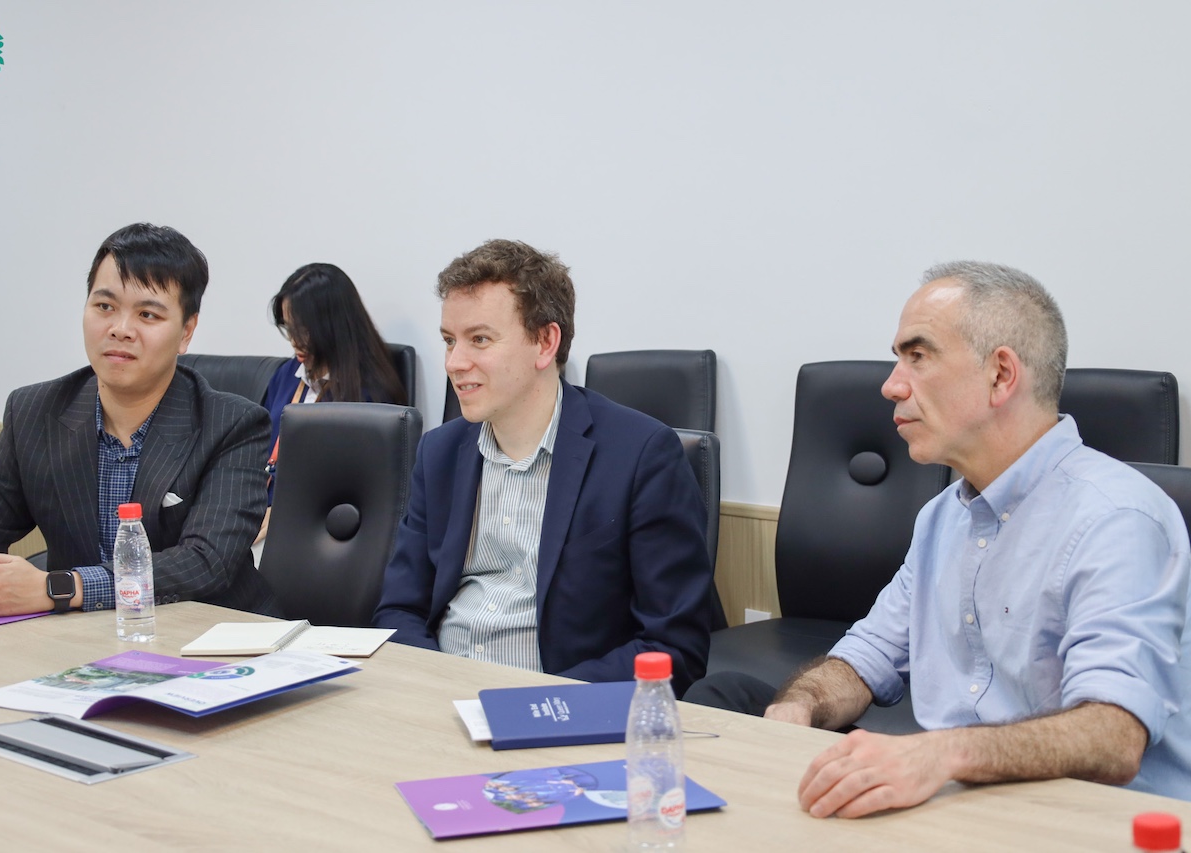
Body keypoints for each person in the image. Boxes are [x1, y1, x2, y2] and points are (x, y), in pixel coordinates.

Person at [689, 261, 1191, 812]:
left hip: (1081, 814)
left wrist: (939, 754)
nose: (891, 385)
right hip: (964, 789)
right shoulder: (943, 516)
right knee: (728, 695)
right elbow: (868, 655)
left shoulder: (1116, 517)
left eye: (918, 356)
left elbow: (1113, 735)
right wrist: (801, 707)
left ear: (1001, 375)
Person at [372, 239, 713, 695]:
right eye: (449, 341)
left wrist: (538, 703)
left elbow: (674, 646)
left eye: (479, 339)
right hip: (439, 695)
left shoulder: (641, 455)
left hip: (558, 704)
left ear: (545, 342)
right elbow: (399, 609)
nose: (454, 363)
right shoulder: (440, 453)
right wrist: (436, 686)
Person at [0, 223, 278, 617]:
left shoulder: (233, 424)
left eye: (147, 314)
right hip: (83, 638)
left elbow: (205, 562)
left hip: (207, 633)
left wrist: (58, 588)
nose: (120, 330)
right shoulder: (35, 411)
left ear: (186, 332)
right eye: (105, 307)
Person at [255, 262, 407, 550]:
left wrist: (285, 511)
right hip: (260, 512)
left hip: (311, 528)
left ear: (332, 326)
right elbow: (258, 447)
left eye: (303, 330)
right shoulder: (287, 374)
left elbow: (357, 489)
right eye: (288, 328)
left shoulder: (371, 394)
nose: (295, 341)